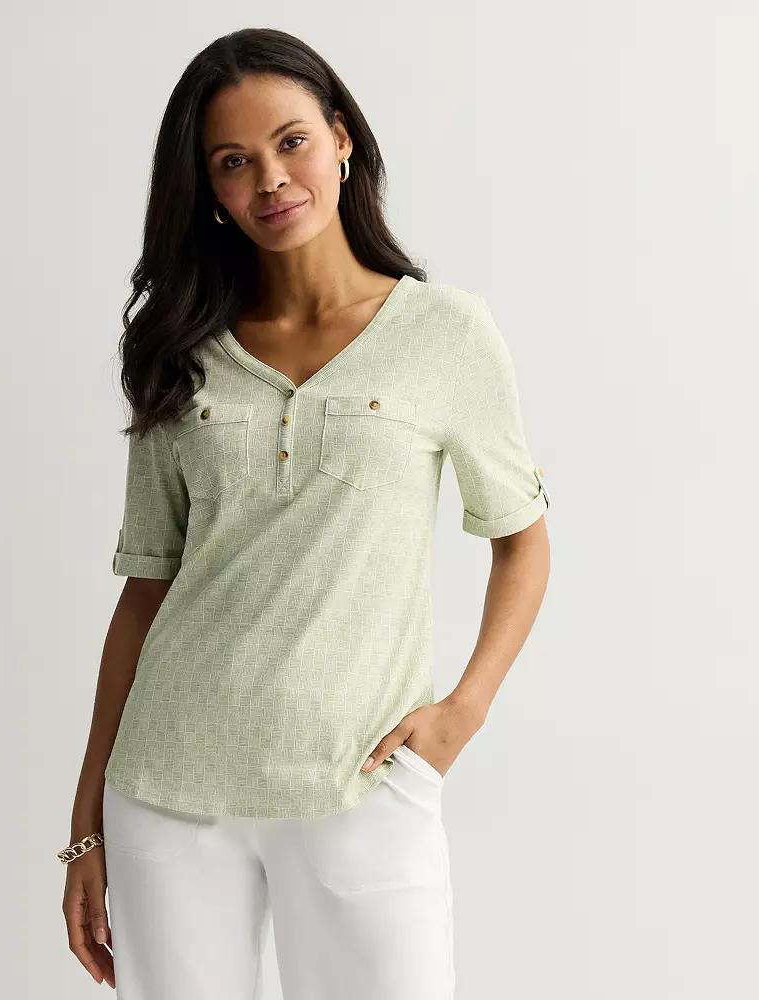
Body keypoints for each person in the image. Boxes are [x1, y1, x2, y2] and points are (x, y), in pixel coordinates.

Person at [60, 27, 551, 1000]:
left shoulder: (445, 333)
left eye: (290, 142)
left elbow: (521, 539)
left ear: (341, 140)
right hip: (167, 791)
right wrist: (86, 824)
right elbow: (146, 589)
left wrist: (462, 713)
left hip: (362, 785)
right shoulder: (179, 351)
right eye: (233, 161)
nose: (271, 179)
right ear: (209, 188)